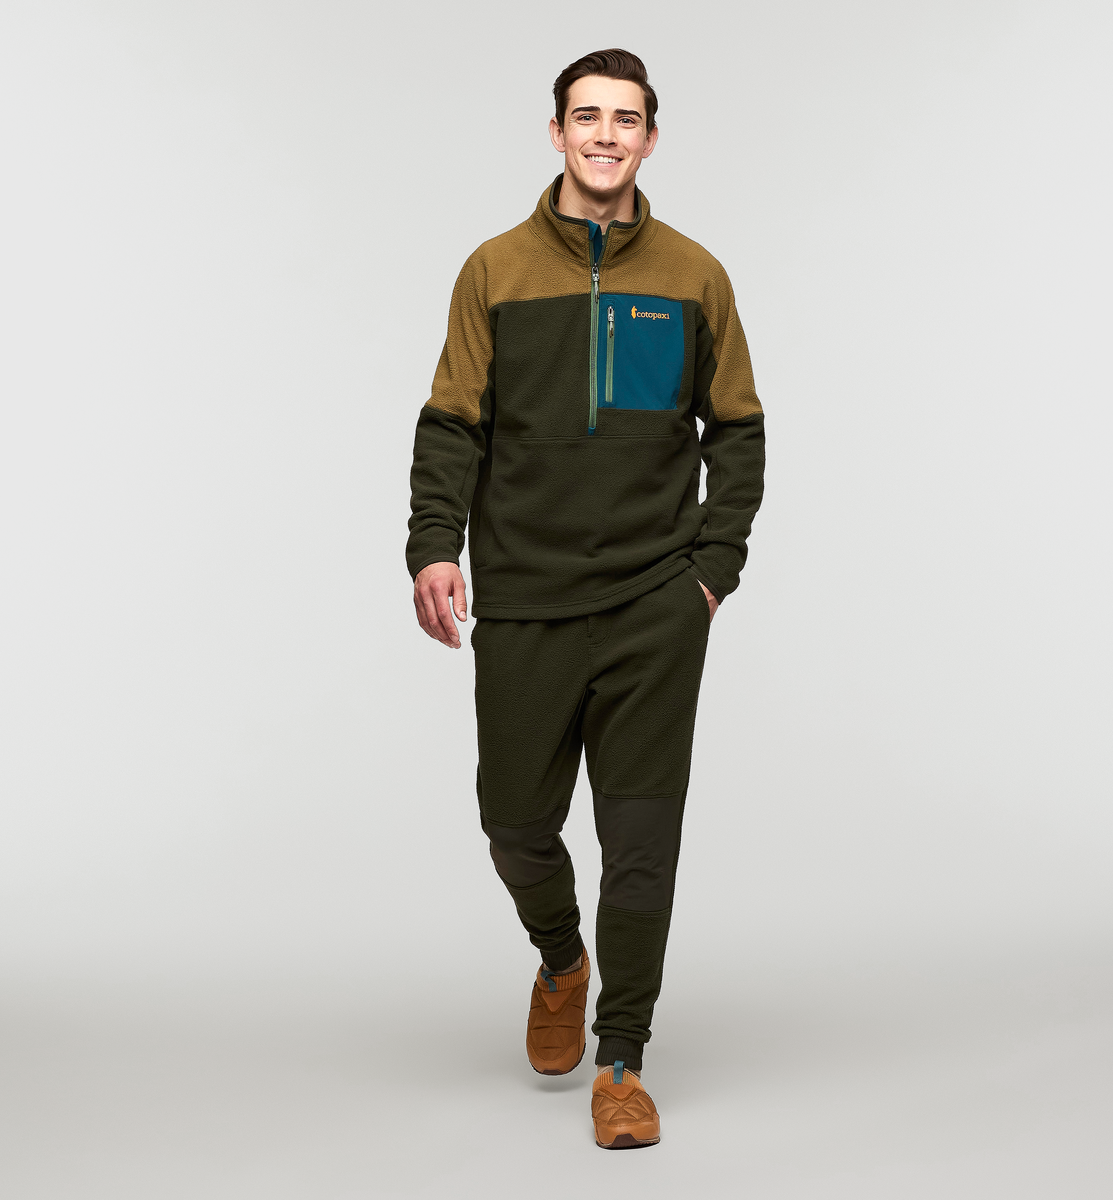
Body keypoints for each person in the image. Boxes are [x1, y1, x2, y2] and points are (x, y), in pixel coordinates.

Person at [406, 47, 764, 1149]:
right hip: (526, 597)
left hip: (657, 603)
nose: (606, 136)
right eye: (587, 117)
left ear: (650, 138)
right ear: (557, 132)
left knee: (642, 842)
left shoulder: (696, 275)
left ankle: (623, 1061)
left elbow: (739, 432)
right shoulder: (495, 271)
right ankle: (563, 958)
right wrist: (435, 545)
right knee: (515, 819)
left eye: (626, 119)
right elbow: (452, 423)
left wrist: (710, 575)